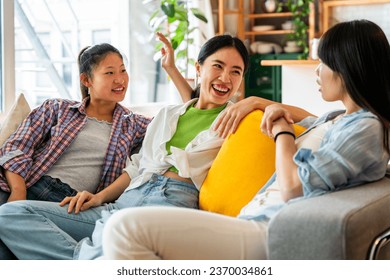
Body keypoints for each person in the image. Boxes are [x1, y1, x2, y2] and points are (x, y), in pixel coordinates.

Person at [99, 19, 390, 260]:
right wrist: (259, 103)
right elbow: (307, 116)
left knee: (124, 229)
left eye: (324, 62)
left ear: (347, 66)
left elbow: (291, 187)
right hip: (248, 218)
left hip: (269, 229)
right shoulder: (339, 118)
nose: (317, 69)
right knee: (115, 230)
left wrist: (281, 131)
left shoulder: (365, 127)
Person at [0, 33, 254, 259]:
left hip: (166, 201)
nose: (225, 77)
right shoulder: (166, 116)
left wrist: (254, 102)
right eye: (109, 72)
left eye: (236, 72)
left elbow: (290, 119)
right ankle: (86, 260)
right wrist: (98, 197)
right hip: (112, 201)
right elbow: (138, 165)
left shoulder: (236, 119)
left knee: (111, 246)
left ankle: (84, 260)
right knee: (8, 214)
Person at [0, 43, 151, 205]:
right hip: (29, 186)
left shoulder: (134, 124)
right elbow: (15, 148)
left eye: (123, 70)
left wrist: (171, 69)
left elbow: (177, 120)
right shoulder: (57, 108)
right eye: (109, 73)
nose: (120, 79)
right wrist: (18, 192)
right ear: (86, 80)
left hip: (73, 203)